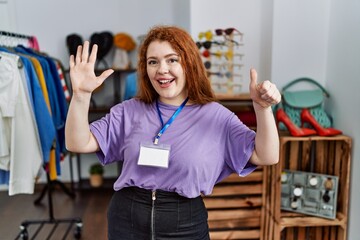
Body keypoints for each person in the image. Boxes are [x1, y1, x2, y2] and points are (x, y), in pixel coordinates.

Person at [65, 25, 281, 240]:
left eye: (172, 60)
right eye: (153, 62)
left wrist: (262, 109)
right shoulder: (130, 110)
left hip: (184, 223)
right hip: (127, 218)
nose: (162, 69)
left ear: (189, 63)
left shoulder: (216, 116)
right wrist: (81, 96)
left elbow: (266, 156)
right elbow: (78, 143)